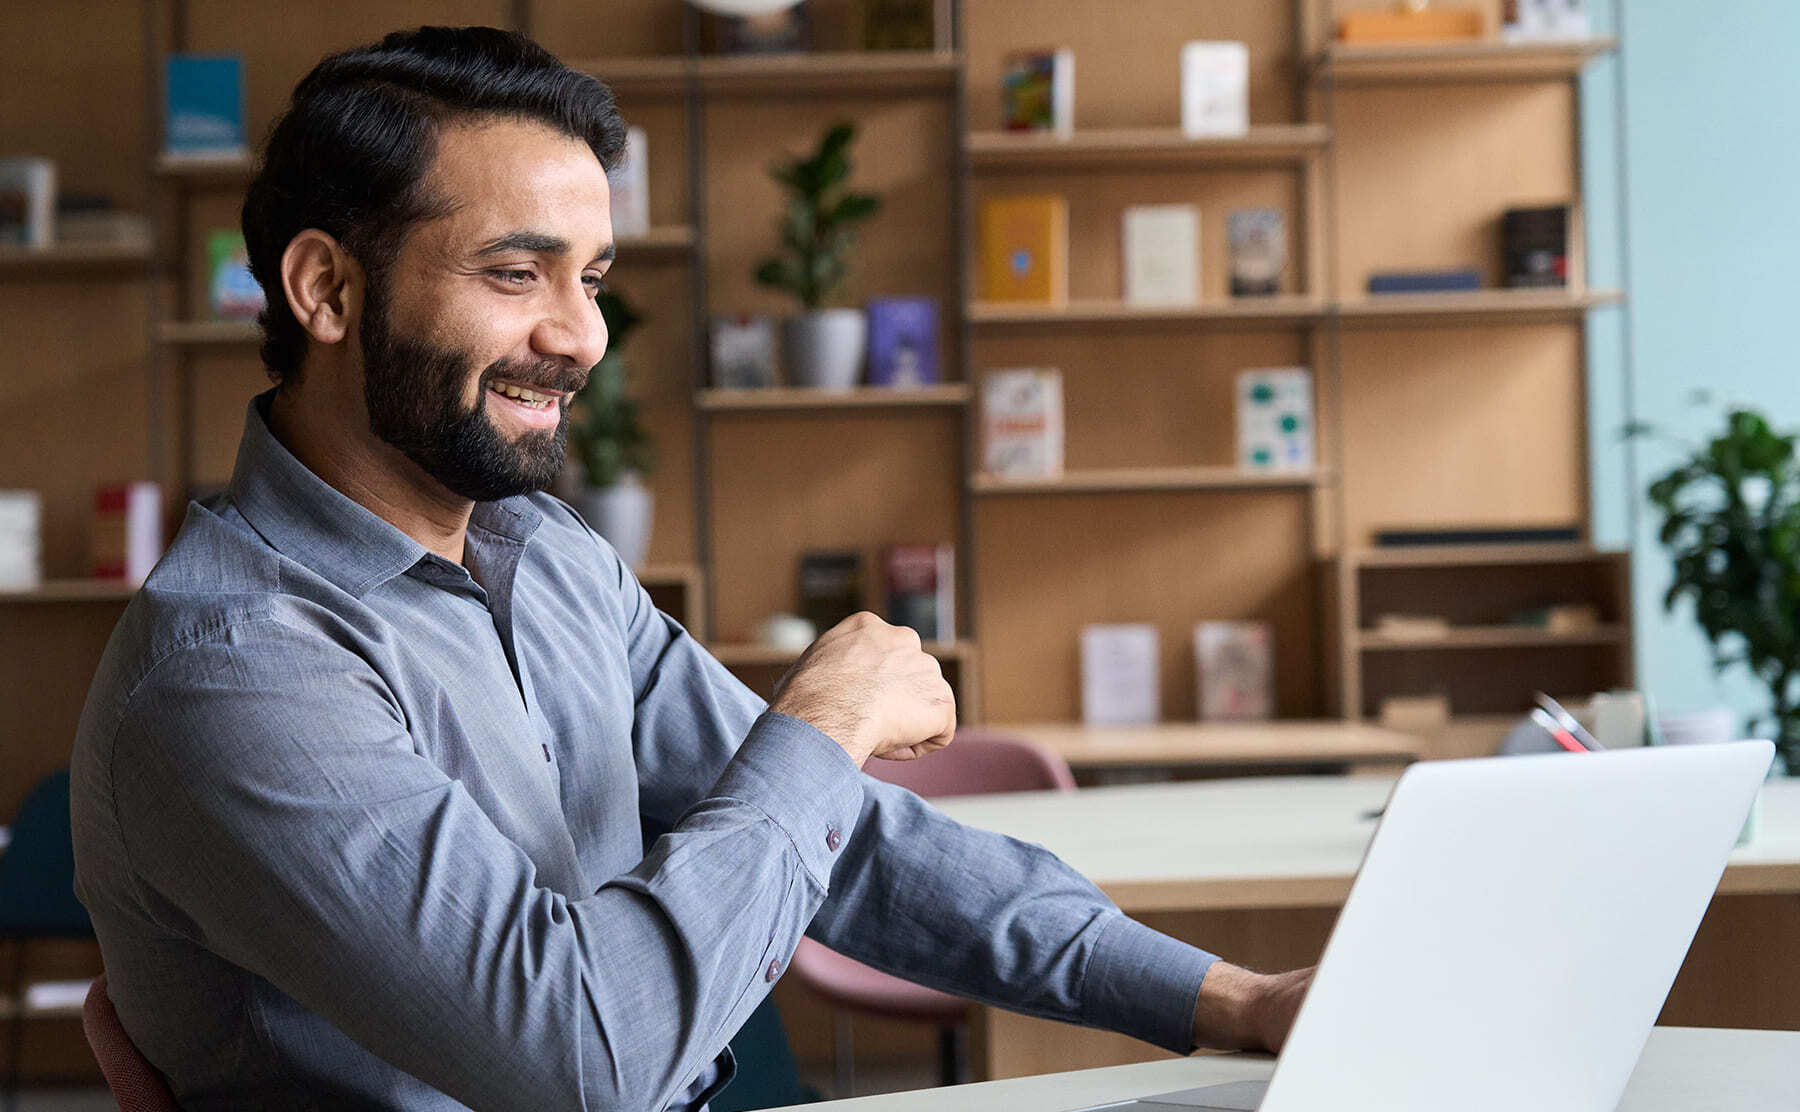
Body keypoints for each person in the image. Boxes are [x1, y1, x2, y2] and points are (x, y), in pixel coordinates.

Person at [69, 26, 1311, 1112]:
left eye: (592, 276)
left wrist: (1232, 996)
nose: (581, 336)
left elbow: (850, 842)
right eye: (516, 272)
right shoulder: (234, 668)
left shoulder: (546, 558)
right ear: (327, 287)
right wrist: (822, 719)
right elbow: (585, 1058)